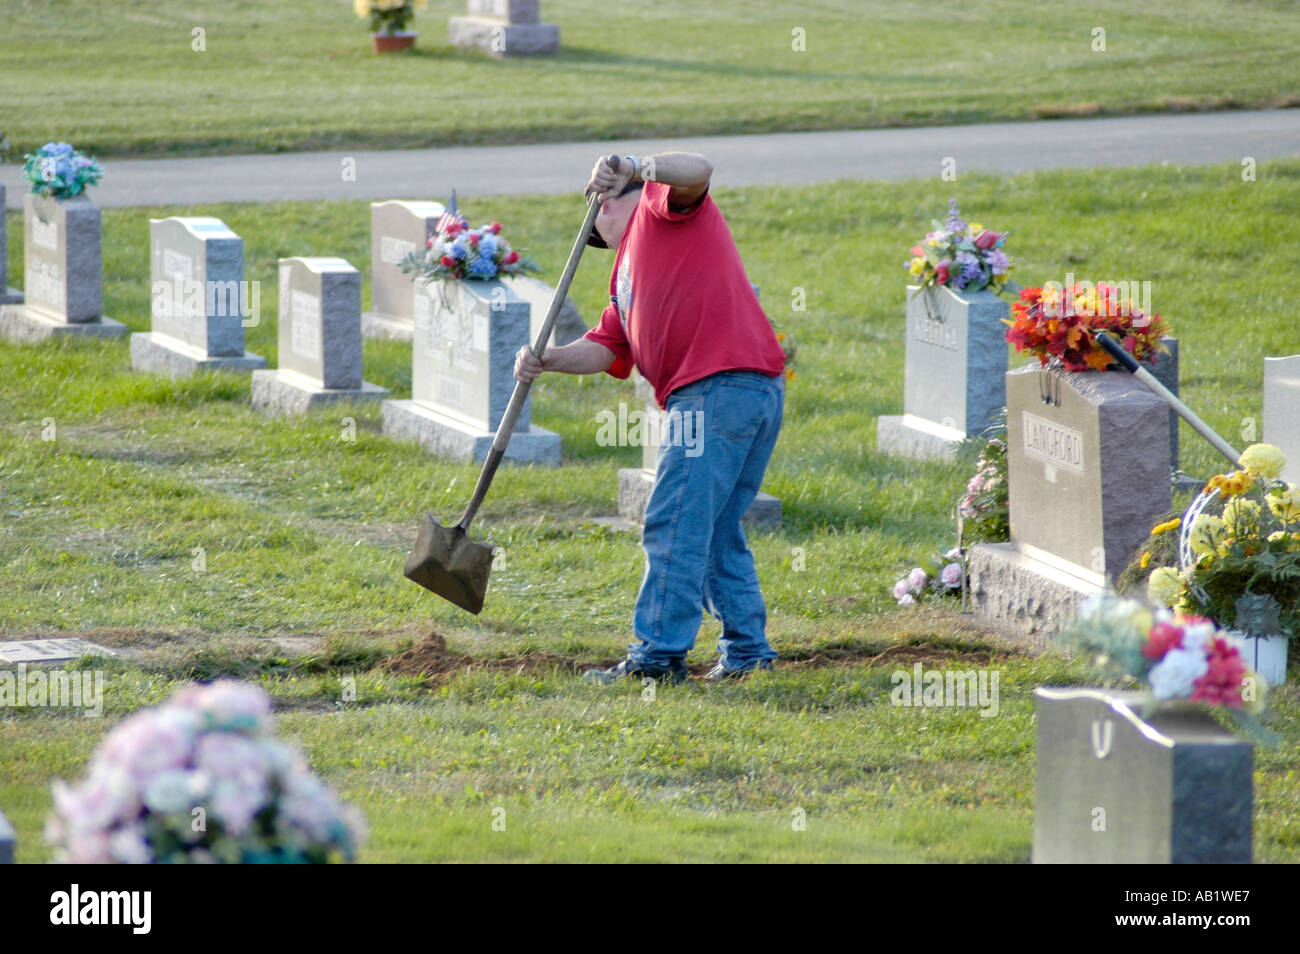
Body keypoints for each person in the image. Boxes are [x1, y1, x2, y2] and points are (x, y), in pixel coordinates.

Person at [513, 152, 786, 684]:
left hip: (716, 386)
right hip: (746, 389)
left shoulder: (661, 209)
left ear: (610, 204)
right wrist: (548, 359)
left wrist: (638, 165)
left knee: (675, 520)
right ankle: (749, 651)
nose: (600, 240)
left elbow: (700, 170)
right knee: (713, 530)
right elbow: (605, 346)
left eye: (599, 228)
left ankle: (657, 657)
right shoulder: (624, 277)